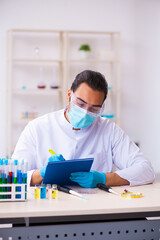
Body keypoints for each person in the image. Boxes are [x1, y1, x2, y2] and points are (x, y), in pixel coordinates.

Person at [12, 70, 155, 188]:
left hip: (97, 208)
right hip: (47, 207)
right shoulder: (37, 128)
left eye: (94, 108)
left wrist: (104, 178)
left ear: (101, 108)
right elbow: (14, 177)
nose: (86, 112)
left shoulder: (108, 129)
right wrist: (42, 173)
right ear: (69, 95)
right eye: (81, 104)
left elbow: (146, 170)